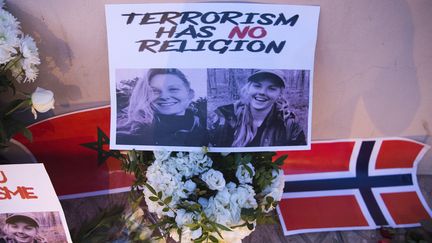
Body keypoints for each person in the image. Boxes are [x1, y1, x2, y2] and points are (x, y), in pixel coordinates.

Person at [208, 69, 306, 147]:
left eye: (272, 88)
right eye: (257, 86)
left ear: (280, 94)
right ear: (248, 88)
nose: (262, 92)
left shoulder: (289, 125)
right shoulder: (225, 116)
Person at [117, 68, 208, 146]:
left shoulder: (210, 130)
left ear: (190, 94)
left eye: (173, 89)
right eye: (155, 91)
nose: (164, 96)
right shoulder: (129, 136)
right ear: (145, 95)